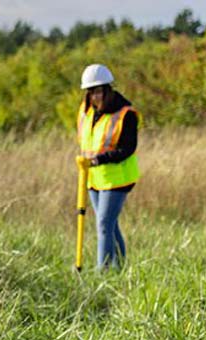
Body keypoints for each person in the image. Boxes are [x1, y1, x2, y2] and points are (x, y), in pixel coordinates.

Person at [77, 64, 140, 270]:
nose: (94, 97)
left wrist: (100, 160)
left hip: (118, 177)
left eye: (98, 92)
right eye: (90, 92)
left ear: (107, 90)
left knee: (103, 225)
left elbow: (128, 148)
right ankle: (119, 269)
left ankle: (101, 273)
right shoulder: (87, 112)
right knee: (110, 226)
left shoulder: (125, 114)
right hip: (94, 178)